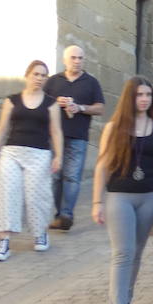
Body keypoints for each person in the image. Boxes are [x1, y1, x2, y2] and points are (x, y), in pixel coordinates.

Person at [91, 77, 153, 304]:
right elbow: (102, 166)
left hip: (149, 196)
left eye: (148, 95)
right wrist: (97, 201)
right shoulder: (113, 128)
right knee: (123, 252)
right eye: (139, 95)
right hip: (119, 196)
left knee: (136, 252)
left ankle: (126, 299)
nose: (145, 99)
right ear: (130, 97)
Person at [0, 60, 63, 262]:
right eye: (36, 74)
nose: (39, 78)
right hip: (12, 152)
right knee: (7, 194)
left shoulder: (51, 104)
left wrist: (58, 156)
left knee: (36, 195)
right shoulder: (12, 101)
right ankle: (4, 242)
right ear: (27, 75)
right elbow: (2, 129)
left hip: (39, 154)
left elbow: (56, 131)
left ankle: (40, 233)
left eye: (43, 75)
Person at [44, 45, 104, 231]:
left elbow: (100, 108)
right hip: (54, 137)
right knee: (55, 177)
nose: (77, 61)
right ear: (64, 60)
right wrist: (55, 102)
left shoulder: (91, 82)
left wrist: (80, 108)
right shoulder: (53, 81)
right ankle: (59, 214)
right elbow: (41, 103)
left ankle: (66, 215)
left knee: (71, 177)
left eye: (80, 58)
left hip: (78, 136)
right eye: (73, 58)